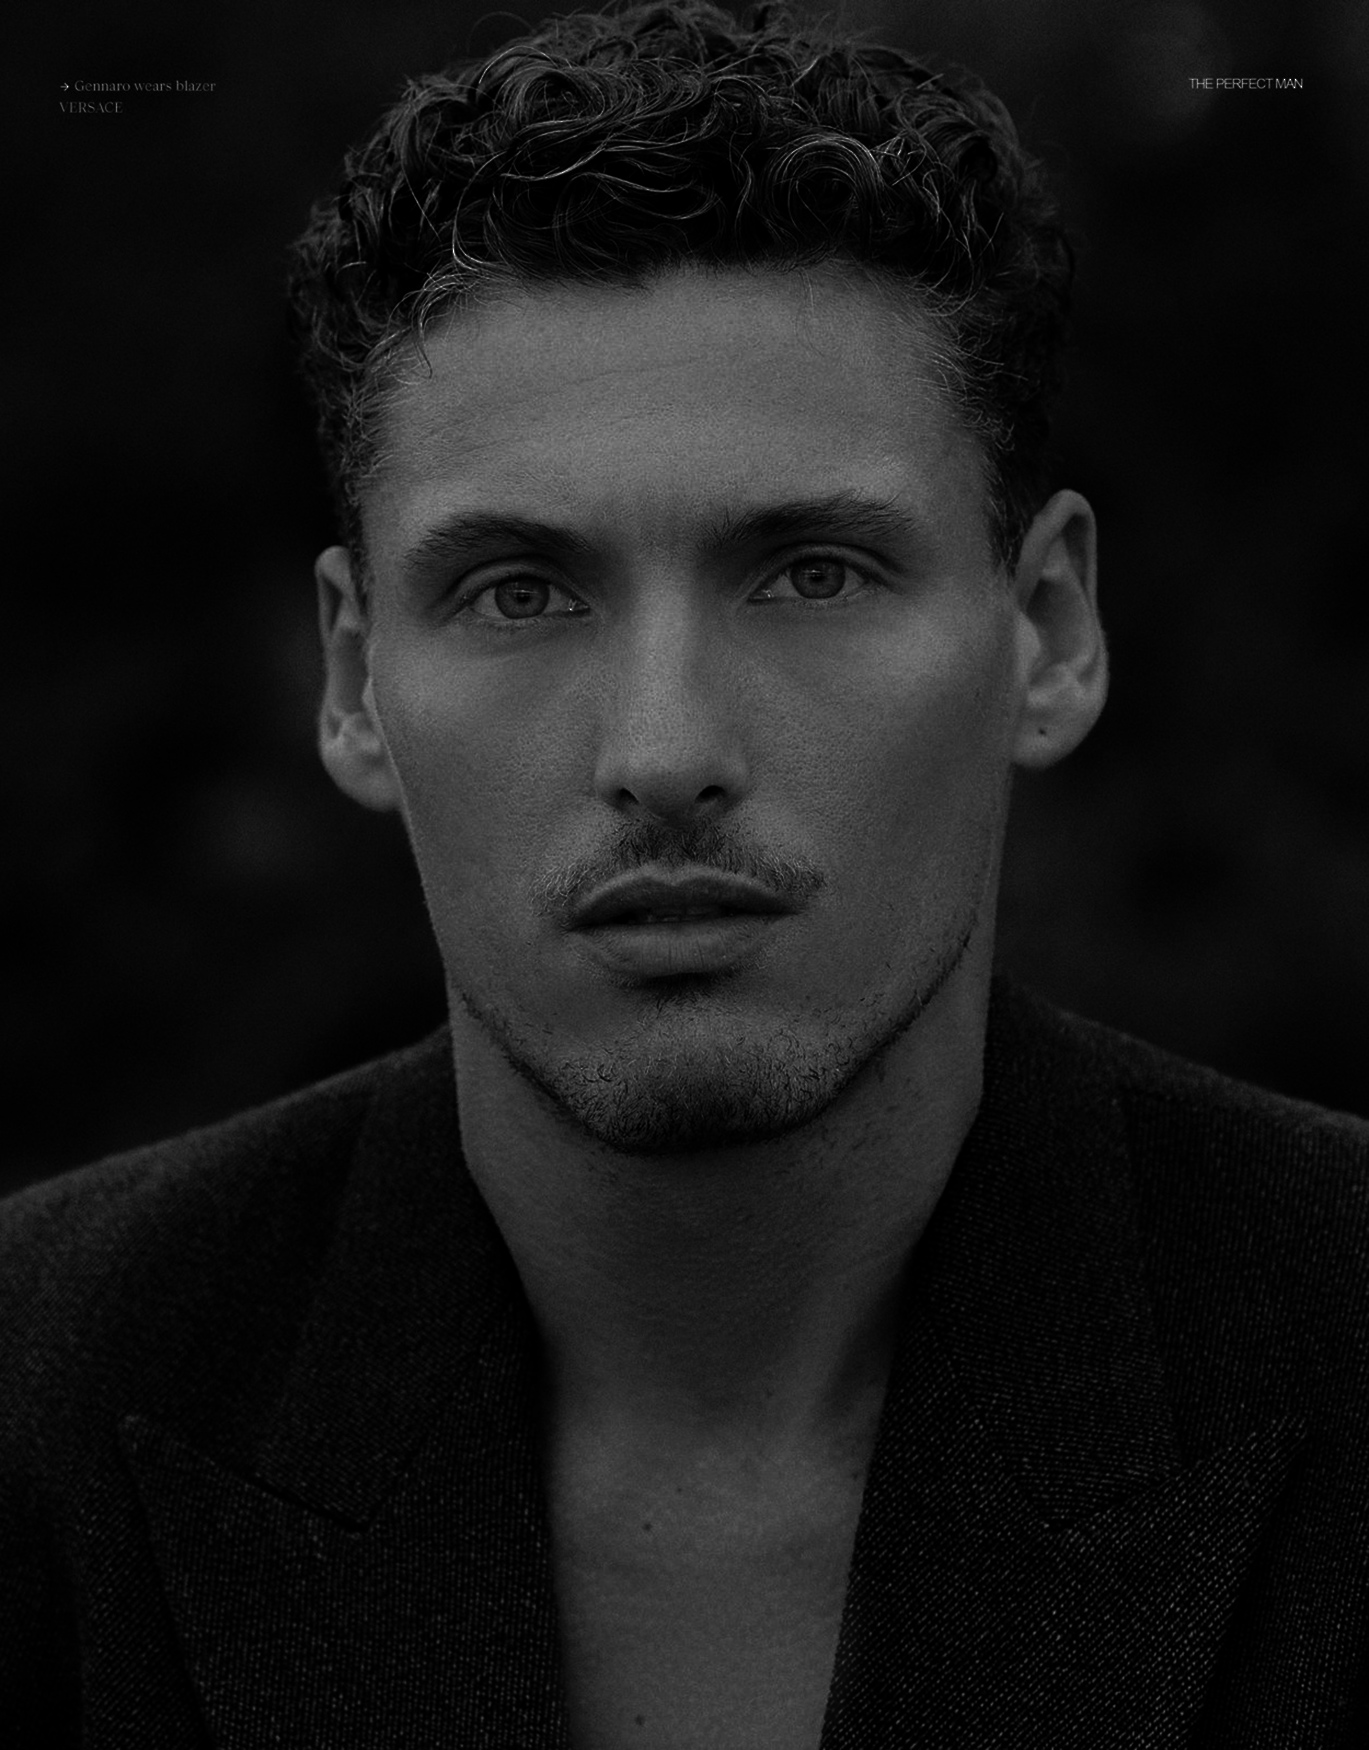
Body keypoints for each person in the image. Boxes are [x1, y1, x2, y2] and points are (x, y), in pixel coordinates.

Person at [3, 2, 1367, 1743]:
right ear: (353, 682)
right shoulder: (37, 1407)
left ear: (1046, 631)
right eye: (518, 590)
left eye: (809, 573)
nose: (662, 747)